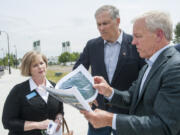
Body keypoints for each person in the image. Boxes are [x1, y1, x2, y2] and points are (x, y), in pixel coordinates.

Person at [81, 11, 180, 135]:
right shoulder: (148, 65)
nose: (133, 42)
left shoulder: (175, 68)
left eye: (138, 36)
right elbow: (131, 98)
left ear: (159, 35)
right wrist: (108, 91)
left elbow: (164, 126)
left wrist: (110, 120)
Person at [73, 5, 144, 135]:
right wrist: (85, 94)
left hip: (126, 117)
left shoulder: (135, 44)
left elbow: (144, 78)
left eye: (105, 23)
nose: (101, 28)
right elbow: (77, 72)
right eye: (98, 24)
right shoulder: (92, 46)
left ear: (117, 21)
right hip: (98, 115)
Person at [2, 51, 64, 135]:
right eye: (35, 65)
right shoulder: (18, 91)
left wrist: (59, 118)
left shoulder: (56, 87)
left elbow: (60, 110)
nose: (40, 67)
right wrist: (38, 125)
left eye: (41, 63)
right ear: (28, 69)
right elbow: (7, 122)